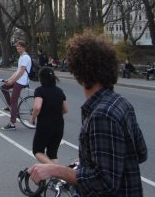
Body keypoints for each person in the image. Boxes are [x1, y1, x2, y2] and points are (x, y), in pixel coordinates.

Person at [29, 31, 147, 196]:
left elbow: (104, 182)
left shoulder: (101, 115)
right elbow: (140, 153)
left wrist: (56, 170)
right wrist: (87, 162)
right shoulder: (121, 103)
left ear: (79, 72)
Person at [30, 67, 68, 164]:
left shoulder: (40, 91)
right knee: (52, 154)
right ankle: (55, 178)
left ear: (41, 78)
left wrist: (32, 119)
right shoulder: (59, 91)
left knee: (37, 151)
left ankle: (55, 170)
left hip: (45, 126)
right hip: (59, 126)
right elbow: (65, 109)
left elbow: (37, 107)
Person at [1, 40, 32, 131]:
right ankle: (11, 107)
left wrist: (12, 81)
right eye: (17, 46)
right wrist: (9, 80)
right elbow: (17, 72)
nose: (18, 48)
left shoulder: (25, 57)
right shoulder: (21, 57)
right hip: (18, 79)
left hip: (22, 82)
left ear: (23, 47)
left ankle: (12, 124)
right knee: (4, 88)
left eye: (20, 46)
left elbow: (21, 72)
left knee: (14, 100)